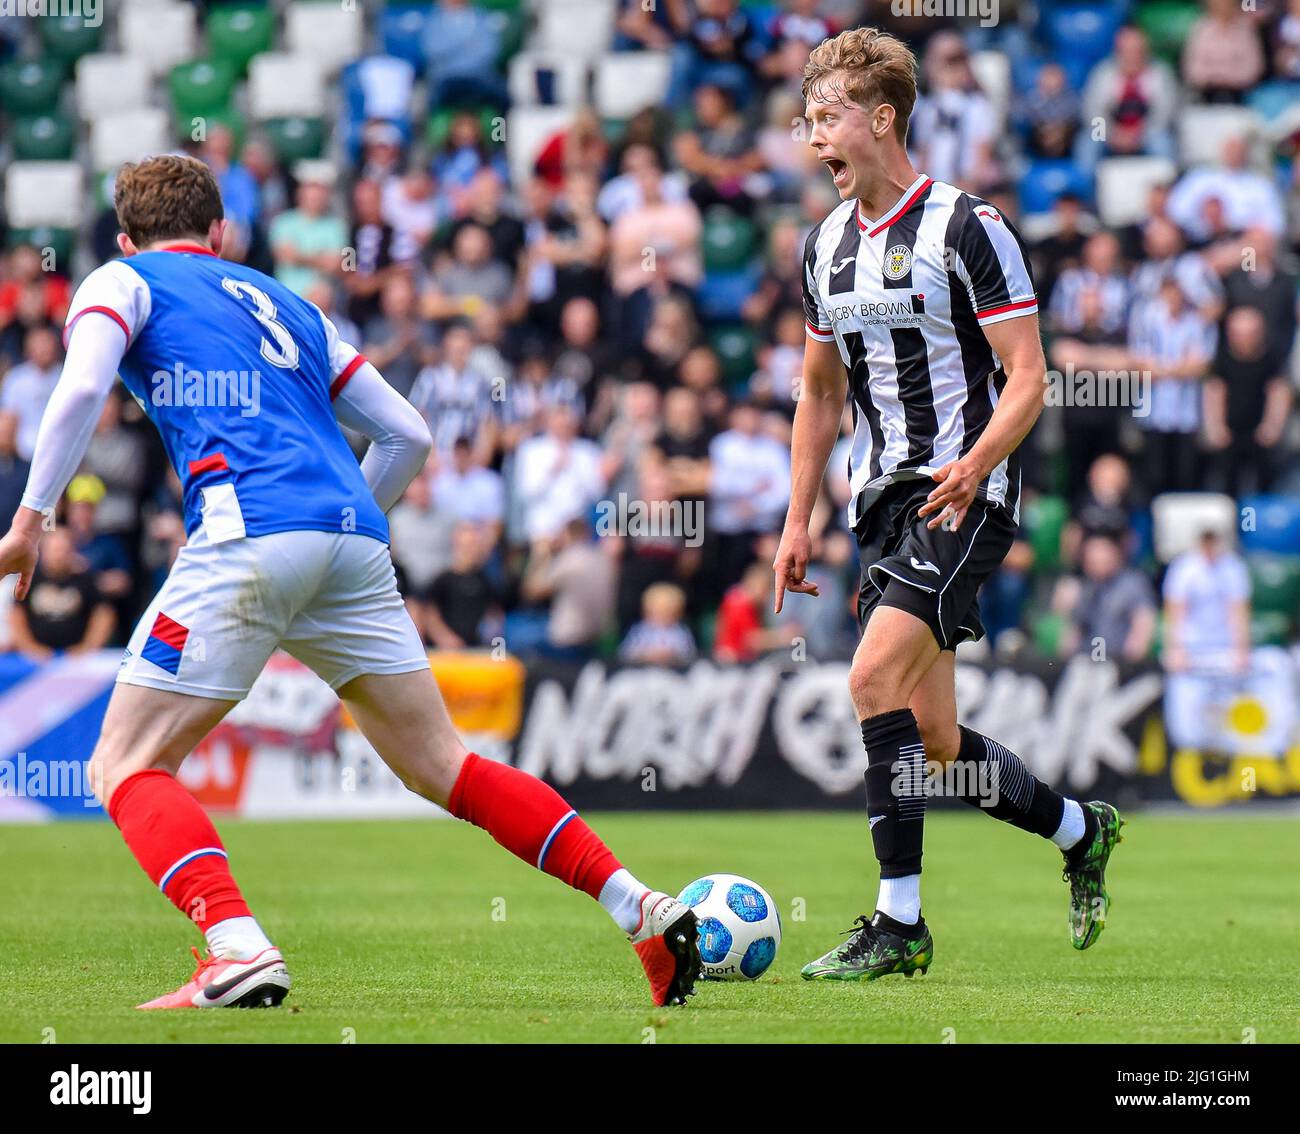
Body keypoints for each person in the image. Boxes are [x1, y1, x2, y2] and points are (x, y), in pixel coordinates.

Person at [0, 155, 700, 1011]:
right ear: (221, 232)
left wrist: (30, 522)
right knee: (447, 765)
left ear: (124, 237)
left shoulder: (121, 279)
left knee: (124, 764)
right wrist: (338, 529)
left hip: (247, 528)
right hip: (354, 539)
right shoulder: (291, 302)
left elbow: (78, 389)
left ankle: (235, 946)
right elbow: (407, 432)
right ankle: (642, 907)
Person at [773, 28, 1124, 983]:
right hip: (880, 505)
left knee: (867, 683)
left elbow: (1027, 377)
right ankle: (1078, 829)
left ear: (882, 119)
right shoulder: (824, 248)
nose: (814, 139)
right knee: (931, 740)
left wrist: (972, 465)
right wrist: (796, 517)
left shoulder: (970, 227)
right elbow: (818, 393)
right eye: (807, 122)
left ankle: (900, 925)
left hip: (962, 495)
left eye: (829, 118)